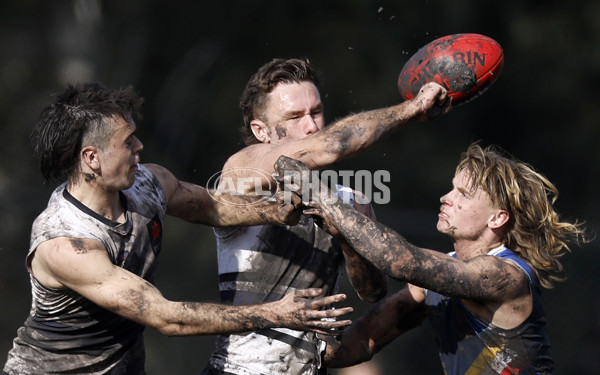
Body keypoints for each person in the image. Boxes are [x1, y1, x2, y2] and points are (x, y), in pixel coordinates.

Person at [2, 82, 356, 375]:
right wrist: (275, 314)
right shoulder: (66, 243)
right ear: (92, 158)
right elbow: (166, 318)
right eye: (128, 142)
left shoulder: (147, 183)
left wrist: (276, 211)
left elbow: (211, 206)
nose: (139, 146)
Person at [202, 57, 451, 375]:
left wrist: (347, 240)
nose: (311, 126)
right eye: (294, 116)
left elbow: (373, 291)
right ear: (260, 130)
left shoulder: (350, 200)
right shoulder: (241, 174)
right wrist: (412, 109)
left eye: (316, 112)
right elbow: (332, 144)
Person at [277, 142, 588, 374]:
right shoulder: (433, 285)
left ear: (497, 218)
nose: (446, 198)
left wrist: (318, 193)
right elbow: (361, 341)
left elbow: (402, 261)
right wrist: (317, 339)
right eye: (452, 189)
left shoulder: (505, 276)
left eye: (463, 194)